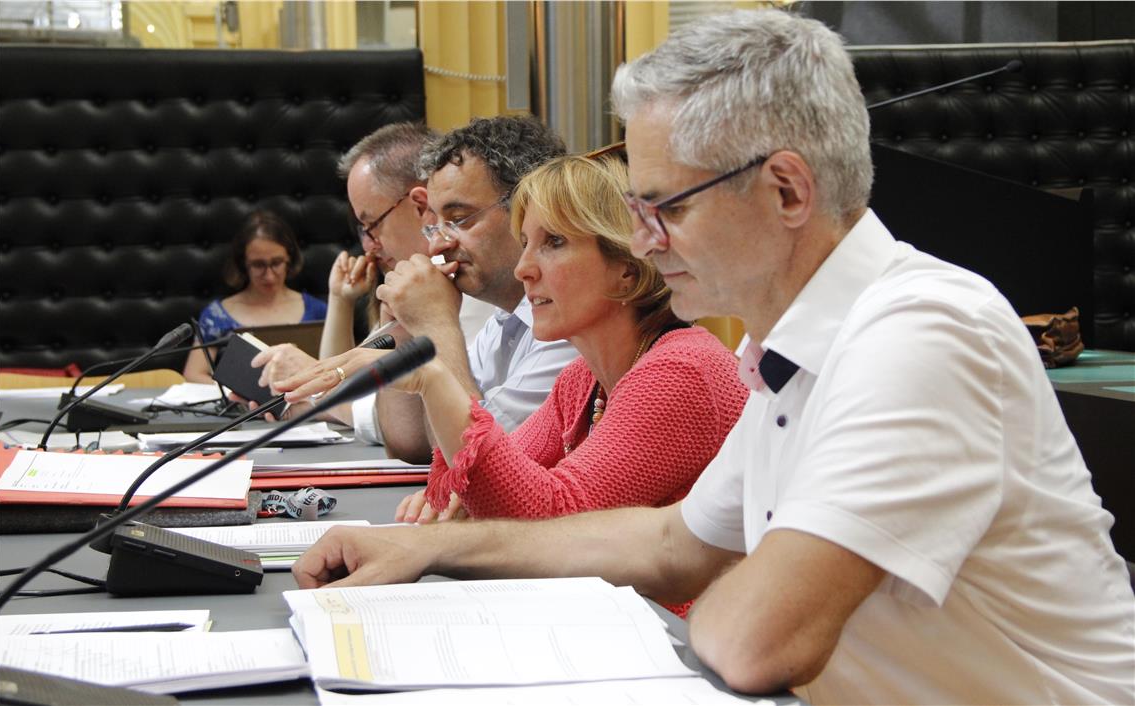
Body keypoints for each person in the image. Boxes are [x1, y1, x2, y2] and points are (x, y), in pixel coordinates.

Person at [291, 10, 1134, 704]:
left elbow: (758, 642)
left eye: (667, 208)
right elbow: (672, 542)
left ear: (787, 190)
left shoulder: (919, 334)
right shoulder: (784, 348)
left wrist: (720, 589)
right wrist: (428, 550)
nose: (646, 241)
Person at [389, 155, 747, 525]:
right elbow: (486, 479)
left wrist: (434, 373)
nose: (523, 269)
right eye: (525, 244)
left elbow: (554, 512)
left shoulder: (682, 373)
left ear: (627, 266)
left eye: (554, 242)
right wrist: (456, 496)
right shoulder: (581, 381)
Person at [275, 116, 580, 463]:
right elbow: (414, 445)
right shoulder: (504, 322)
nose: (438, 245)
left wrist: (436, 326)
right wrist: (403, 328)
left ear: (526, 209)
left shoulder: (567, 327)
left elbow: (476, 465)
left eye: (459, 219)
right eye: (435, 225)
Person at [250, 123, 493, 431]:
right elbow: (348, 382)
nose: (368, 245)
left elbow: (410, 425)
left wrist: (310, 394)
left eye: (372, 225)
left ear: (421, 207)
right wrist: (340, 301)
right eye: (362, 230)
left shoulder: (467, 280)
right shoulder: (415, 282)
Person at [183, 210, 327, 383]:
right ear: (243, 264)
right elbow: (193, 374)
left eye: (276, 263)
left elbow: (337, 368)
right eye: (258, 265)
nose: (269, 276)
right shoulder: (216, 315)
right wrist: (235, 391)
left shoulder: (318, 310)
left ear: (289, 258)